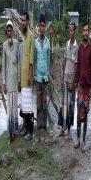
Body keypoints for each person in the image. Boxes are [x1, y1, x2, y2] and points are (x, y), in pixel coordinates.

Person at [74, 22, 91, 152]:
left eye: (87, 30)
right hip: (80, 87)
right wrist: (75, 82)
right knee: (79, 114)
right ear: (82, 33)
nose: (85, 33)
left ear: (89, 33)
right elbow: (78, 67)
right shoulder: (80, 47)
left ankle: (84, 141)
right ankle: (77, 138)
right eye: (84, 31)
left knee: (85, 114)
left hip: (87, 88)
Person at [59, 22, 78, 139]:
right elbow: (65, 61)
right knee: (63, 104)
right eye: (69, 30)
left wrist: (72, 82)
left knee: (71, 105)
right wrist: (62, 78)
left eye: (72, 30)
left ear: (75, 32)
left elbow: (76, 65)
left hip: (71, 81)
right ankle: (62, 128)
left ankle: (70, 131)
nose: (70, 32)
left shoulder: (77, 46)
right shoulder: (67, 44)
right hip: (65, 79)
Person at [34, 15, 51, 144]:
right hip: (37, 79)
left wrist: (48, 74)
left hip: (45, 79)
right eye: (40, 25)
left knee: (44, 105)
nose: (42, 28)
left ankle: (45, 131)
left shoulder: (48, 43)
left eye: (44, 26)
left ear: (45, 27)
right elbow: (34, 60)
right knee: (38, 105)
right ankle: (38, 131)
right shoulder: (35, 43)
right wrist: (34, 76)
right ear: (38, 27)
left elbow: (49, 60)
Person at [2, 21, 20, 143]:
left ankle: (15, 131)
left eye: (11, 30)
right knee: (10, 106)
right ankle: (10, 133)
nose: (10, 32)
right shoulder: (3, 45)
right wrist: (3, 82)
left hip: (15, 79)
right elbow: (3, 65)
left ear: (13, 31)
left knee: (15, 106)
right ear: (6, 32)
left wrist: (19, 79)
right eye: (8, 30)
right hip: (8, 79)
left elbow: (19, 62)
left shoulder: (17, 43)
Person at [19, 12, 35, 141]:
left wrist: (30, 76)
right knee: (24, 105)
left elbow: (31, 58)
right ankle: (25, 129)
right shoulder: (24, 36)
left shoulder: (30, 36)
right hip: (22, 77)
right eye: (21, 20)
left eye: (24, 20)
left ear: (28, 21)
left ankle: (30, 131)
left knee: (29, 106)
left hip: (28, 78)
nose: (22, 22)